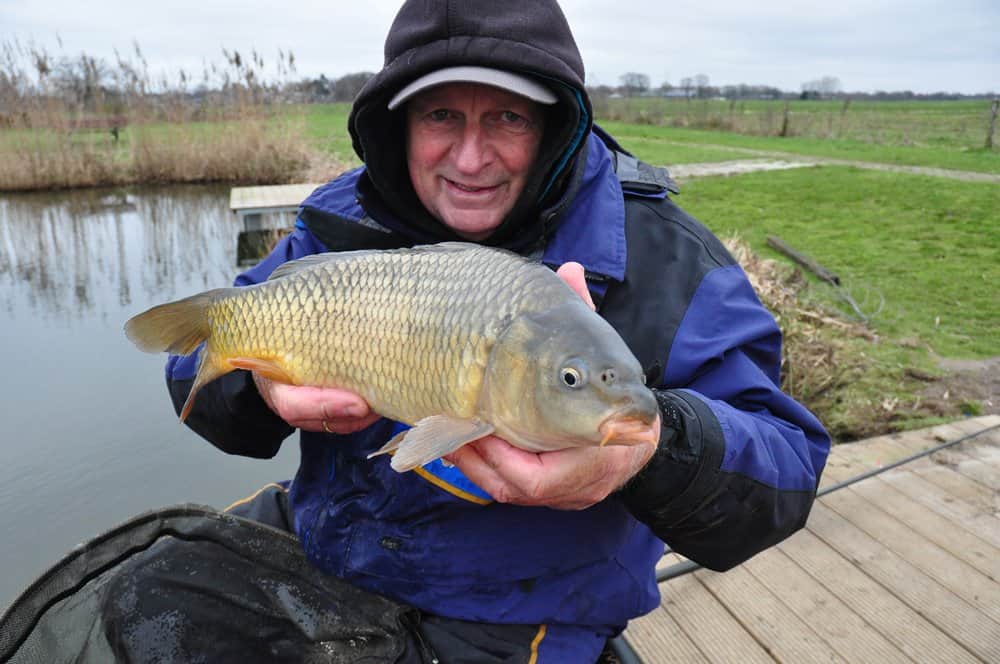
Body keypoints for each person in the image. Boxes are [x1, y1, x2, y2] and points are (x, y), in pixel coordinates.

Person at [159, 1, 831, 661]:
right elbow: (197, 365)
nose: (471, 158)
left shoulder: (672, 260)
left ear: (551, 125)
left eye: (506, 117)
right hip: (327, 558)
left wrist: (654, 450)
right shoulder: (339, 225)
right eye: (442, 115)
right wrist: (260, 385)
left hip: (528, 614)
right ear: (400, 126)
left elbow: (787, 468)